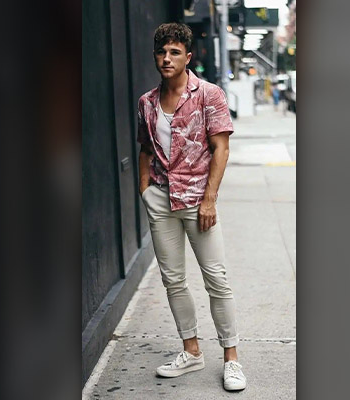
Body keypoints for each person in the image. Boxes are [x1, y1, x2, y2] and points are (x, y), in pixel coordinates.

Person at [136, 22, 247, 392]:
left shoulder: (209, 95)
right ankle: (192, 350)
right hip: (161, 199)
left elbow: (221, 148)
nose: (166, 59)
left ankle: (231, 359)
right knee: (173, 280)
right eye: (161, 52)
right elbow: (146, 147)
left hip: (198, 201)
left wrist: (210, 199)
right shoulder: (147, 103)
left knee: (216, 278)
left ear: (188, 56)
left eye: (174, 52)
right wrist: (144, 189)